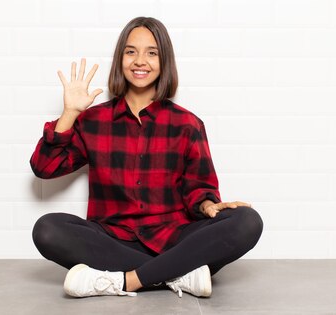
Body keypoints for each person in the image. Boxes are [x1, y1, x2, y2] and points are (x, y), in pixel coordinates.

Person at [30, 16, 263, 298]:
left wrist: (208, 206)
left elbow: (199, 188)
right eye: (131, 52)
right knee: (47, 229)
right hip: (112, 239)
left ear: (164, 62)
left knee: (247, 221)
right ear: (120, 60)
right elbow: (44, 167)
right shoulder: (93, 120)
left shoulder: (188, 124)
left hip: (175, 239)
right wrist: (70, 113)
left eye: (151, 53)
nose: (140, 61)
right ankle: (176, 275)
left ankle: (127, 281)